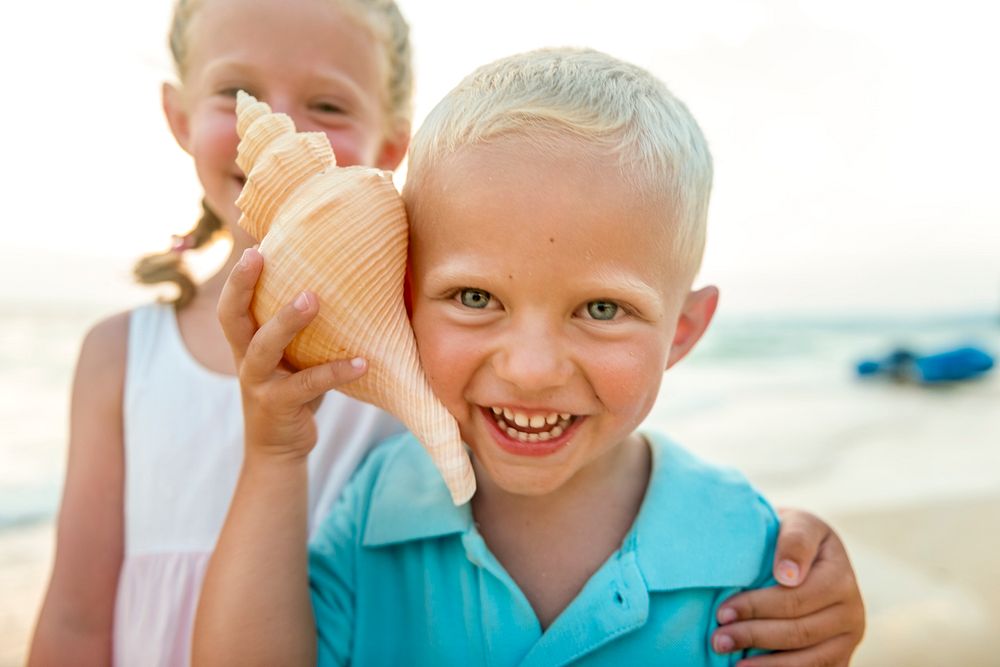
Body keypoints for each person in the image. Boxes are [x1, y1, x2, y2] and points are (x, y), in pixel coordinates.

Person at [193, 47, 864, 665]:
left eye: (602, 309)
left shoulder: (739, 544)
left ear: (684, 329)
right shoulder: (378, 509)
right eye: (475, 296)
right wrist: (274, 455)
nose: (532, 368)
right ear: (404, 298)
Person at [28, 1, 410, 665]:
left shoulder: (412, 348)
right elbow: (73, 617)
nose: (283, 128)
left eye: (328, 105)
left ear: (391, 145)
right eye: (239, 95)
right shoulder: (121, 356)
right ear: (179, 118)